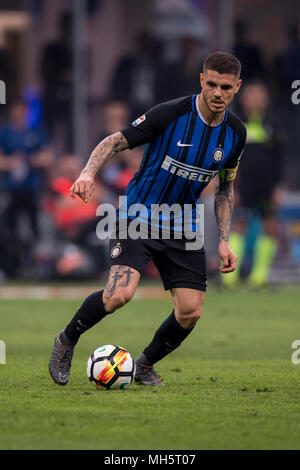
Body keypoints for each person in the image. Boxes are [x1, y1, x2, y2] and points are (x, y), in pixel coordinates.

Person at [48, 51, 246, 386]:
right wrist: (86, 173)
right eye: (211, 84)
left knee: (190, 311)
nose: (217, 92)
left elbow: (226, 189)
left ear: (237, 87)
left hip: (183, 224)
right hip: (136, 216)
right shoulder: (170, 114)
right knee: (118, 295)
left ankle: (143, 365)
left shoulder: (235, 135)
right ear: (201, 80)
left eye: (225, 87)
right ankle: (66, 339)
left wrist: (224, 240)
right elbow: (114, 141)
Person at [222, 81, 284, 288]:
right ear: (243, 98)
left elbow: (279, 159)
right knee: (239, 227)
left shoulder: (274, 124)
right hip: (243, 186)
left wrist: (278, 187)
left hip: (266, 187)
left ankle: (259, 278)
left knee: (270, 228)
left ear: (266, 98)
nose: (255, 99)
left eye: (260, 94)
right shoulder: (234, 123)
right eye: (251, 95)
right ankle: (229, 278)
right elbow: (227, 158)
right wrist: (230, 186)